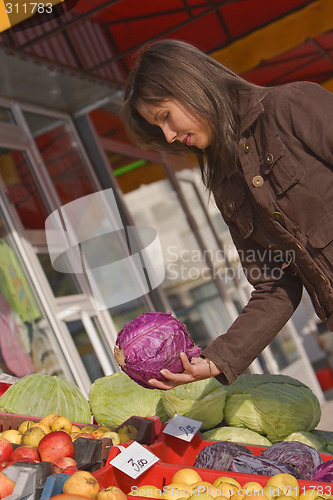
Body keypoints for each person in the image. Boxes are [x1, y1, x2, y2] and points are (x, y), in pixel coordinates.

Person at [121, 38, 333, 390]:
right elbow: (275, 285)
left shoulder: (292, 105)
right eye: (159, 129)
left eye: (165, 118)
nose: (169, 136)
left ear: (189, 86)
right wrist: (216, 361)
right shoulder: (226, 185)